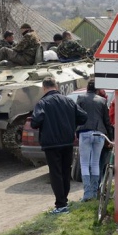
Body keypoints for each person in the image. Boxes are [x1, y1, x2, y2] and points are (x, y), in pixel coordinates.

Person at [31, 77, 88, 214]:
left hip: (51, 144)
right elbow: (83, 117)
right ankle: (64, 201)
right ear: (56, 86)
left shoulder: (42, 103)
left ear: (44, 88)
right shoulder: (68, 100)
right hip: (68, 141)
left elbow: (35, 122)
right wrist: (71, 124)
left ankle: (61, 205)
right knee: (65, 170)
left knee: (55, 173)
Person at [76, 80, 113, 202]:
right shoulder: (102, 101)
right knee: (95, 163)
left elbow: (76, 116)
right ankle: (95, 192)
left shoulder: (80, 98)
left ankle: (87, 194)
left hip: (84, 132)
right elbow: (107, 121)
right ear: (97, 89)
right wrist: (111, 137)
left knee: (85, 164)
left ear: (87, 88)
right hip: (99, 133)